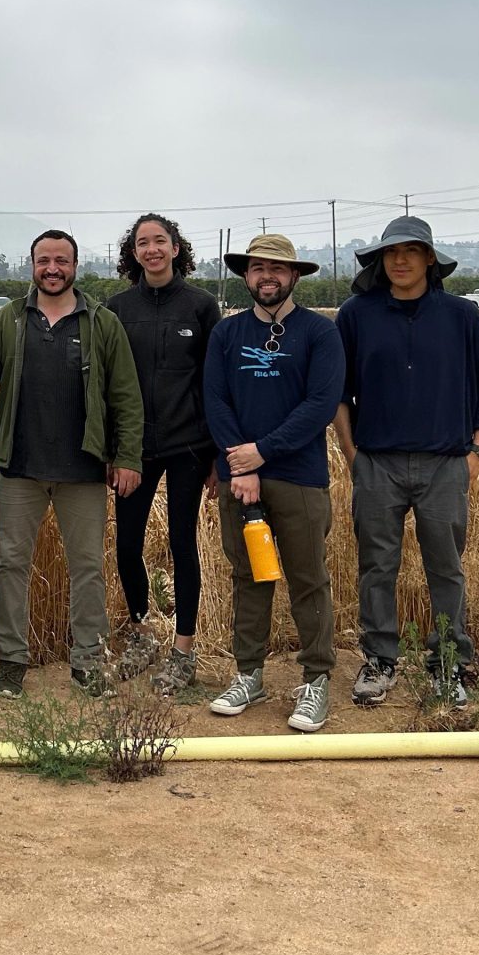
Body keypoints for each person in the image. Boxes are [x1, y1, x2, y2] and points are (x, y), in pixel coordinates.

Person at [332, 215, 479, 708]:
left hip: (445, 463)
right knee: (376, 566)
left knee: (446, 569)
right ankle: (379, 661)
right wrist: (352, 454)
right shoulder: (356, 315)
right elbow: (337, 394)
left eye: (411, 251)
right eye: (391, 252)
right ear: (380, 260)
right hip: (377, 463)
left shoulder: (461, 316)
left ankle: (448, 664)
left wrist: (476, 452)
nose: (400, 260)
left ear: (430, 259)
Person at [0, 230, 143, 699]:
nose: (52, 268)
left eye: (61, 260)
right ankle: (11, 664)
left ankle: (88, 663)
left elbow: (125, 395)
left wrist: (127, 457)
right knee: (10, 566)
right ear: (32, 265)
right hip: (20, 467)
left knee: (87, 569)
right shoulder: (10, 319)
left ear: (75, 265)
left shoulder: (102, 323)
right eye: (43, 260)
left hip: (83, 469)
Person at [202, 233, 344, 733]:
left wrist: (262, 452)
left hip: (299, 480)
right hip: (240, 483)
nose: (268, 277)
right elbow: (215, 403)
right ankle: (248, 675)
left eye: (277, 269)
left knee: (308, 580)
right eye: (259, 268)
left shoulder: (319, 334)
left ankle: (316, 680)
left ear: (295, 276)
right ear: (246, 276)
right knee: (250, 577)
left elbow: (320, 406)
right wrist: (242, 468)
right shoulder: (227, 334)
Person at [104, 213, 222, 695]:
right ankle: (140, 634)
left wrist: (217, 454)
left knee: (181, 543)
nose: (151, 249)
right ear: (132, 253)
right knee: (127, 546)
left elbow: (216, 384)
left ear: (176, 248)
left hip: (190, 446)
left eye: (160, 241)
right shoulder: (116, 309)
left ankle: (183, 650)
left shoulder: (200, 306)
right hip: (135, 449)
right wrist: (115, 450)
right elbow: (108, 385)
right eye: (142, 243)